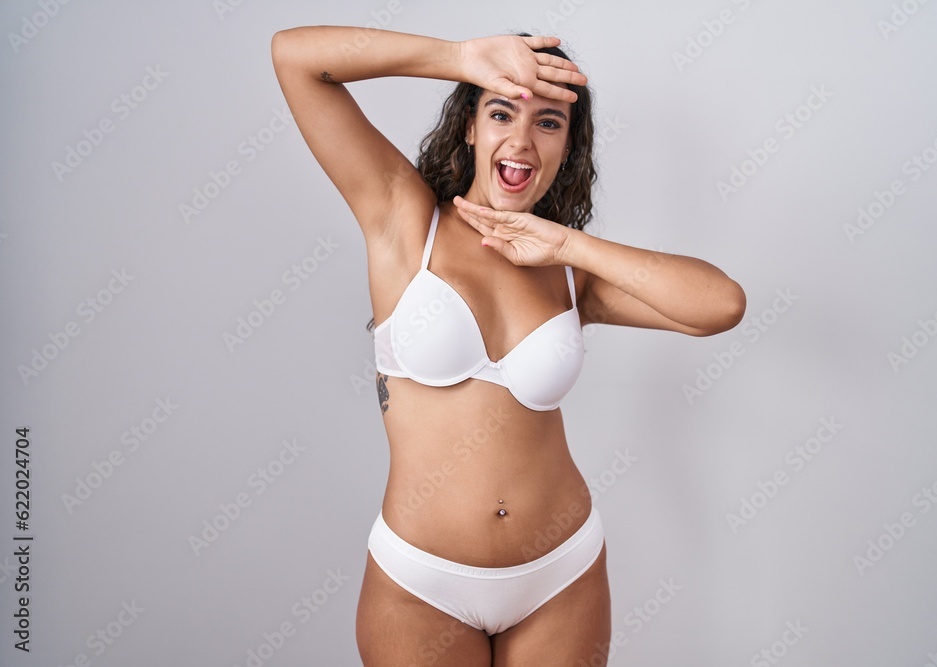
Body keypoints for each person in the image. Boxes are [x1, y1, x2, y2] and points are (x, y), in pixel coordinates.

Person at [271, 26, 746, 666]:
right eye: (501, 111)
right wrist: (461, 59)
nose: (521, 140)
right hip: (422, 584)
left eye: (548, 123)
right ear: (469, 127)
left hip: (561, 574)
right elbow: (295, 58)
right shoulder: (404, 220)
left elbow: (721, 305)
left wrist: (569, 245)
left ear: (568, 146)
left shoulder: (570, 275)